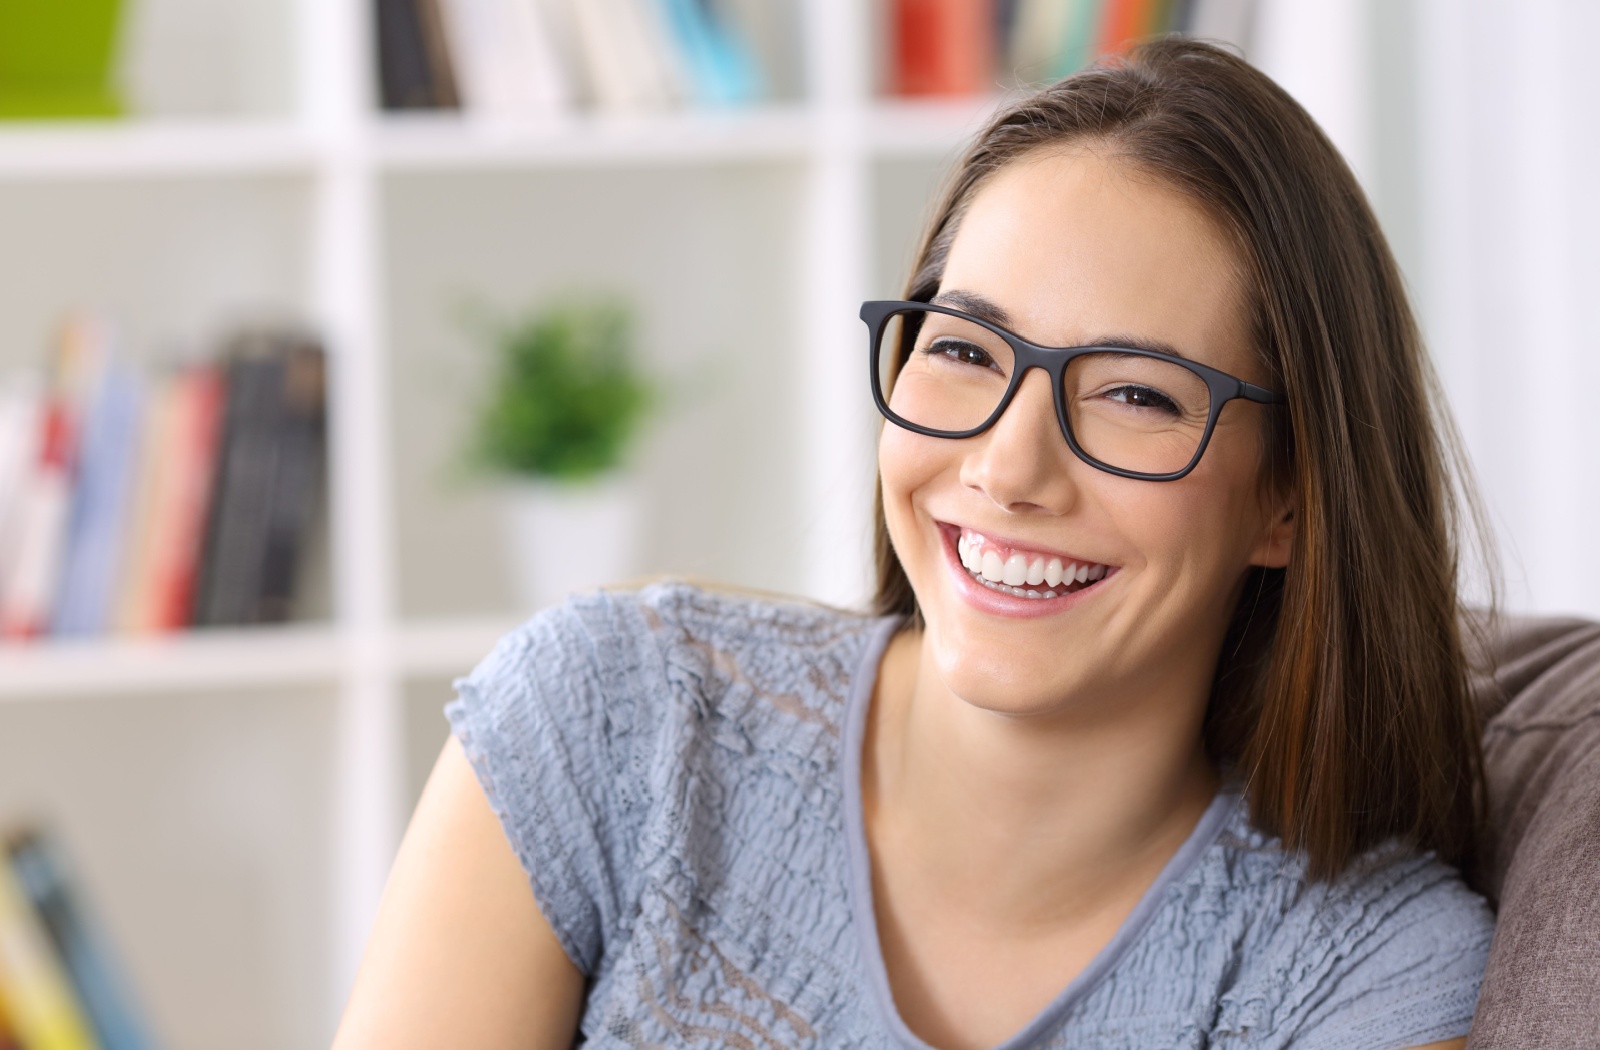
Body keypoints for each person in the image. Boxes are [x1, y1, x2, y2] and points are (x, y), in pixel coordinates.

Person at [332, 38, 1494, 1050]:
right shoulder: (610, 721)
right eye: (963, 351)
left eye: (1135, 395)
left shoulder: (1361, 974)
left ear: (1287, 498)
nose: (1006, 469)